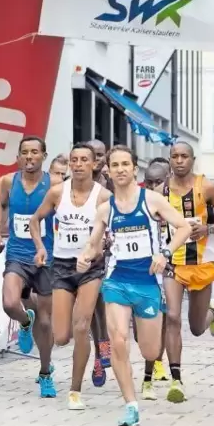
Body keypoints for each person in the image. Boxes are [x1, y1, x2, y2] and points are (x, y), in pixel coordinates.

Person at [77, 145, 192, 426]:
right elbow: (93, 244)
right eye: (114, 165)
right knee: (118, 341)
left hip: (148, 283)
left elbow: (184, 227)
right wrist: (85, 256)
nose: (120, 170)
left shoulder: (151, 200)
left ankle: (152, 367)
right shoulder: (105, 209)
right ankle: (130, 405)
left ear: (134, 168)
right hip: (116, 281)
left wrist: (164, 254)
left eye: (125, 164)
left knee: (150, 351)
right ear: (108, 170)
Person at [29, 143, 112, 410]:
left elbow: (111, 233)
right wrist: (41, 247)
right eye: (73, 159)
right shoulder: (56, 193)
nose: (77, 164)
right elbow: (34, 220)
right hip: (62, 266)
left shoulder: (103, 196)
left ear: (93, 165)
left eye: (83, 160)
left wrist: (98, 248)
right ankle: (95, 346)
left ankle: (75, 391)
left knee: (81, 326)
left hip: (90, 267)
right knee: (62, 336)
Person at [159, 141, 214, 402]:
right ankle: (176, 379)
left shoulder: (206, 187)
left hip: (202, 263)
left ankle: (212, 313)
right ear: (169, 159)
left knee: (197, 327)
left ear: (192, 159)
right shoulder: (161, 191)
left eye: (184, 156)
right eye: (174, 156)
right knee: (173, 317)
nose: (179, 161)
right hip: (172, 265)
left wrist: (209, 230)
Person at [0, 137, 57, 397]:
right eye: (24, 152)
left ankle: (45, 373)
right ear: (18, 155)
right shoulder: (8, 182)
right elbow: (3, 206)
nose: (29, 157)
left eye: (34, 152)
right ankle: (23, 320)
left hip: (46, 258)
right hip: (18, 254)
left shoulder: (54, 184)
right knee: (10, 303)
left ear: (44, 155)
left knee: (45, 322)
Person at [139, 162, 173, 392]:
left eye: (158, 182)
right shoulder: (139, 200)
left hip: (170, 267)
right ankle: (153, 359)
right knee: (144, 321)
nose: (152, 186)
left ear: (168, 179)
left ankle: (157, 362)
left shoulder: (174, 202)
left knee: (165, 315)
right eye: (149, 182)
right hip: (143, 267)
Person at [86, 140, 112, 386]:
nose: (97, 159)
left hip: (111, 254)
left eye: (101, 155)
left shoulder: (111, 184)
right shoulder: (76, 185)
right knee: (93, 306)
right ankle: (99, 350)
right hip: (85, 254)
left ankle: (103, 347)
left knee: (103, 305)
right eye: (92, 154)